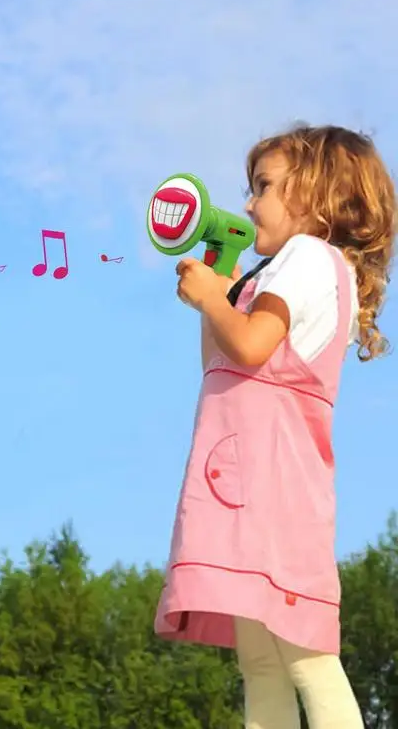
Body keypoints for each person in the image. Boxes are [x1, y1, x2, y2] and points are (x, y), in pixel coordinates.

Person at [154, 124, 396, 728]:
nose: (248, 203)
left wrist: (215, 299)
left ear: (317, 195)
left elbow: (256, 346)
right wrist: (219, 284)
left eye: (262, 186)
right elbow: (222, 359)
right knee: (261, 661)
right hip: (245, 493)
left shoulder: (308, 256)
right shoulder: (275, 273)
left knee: (306, 656)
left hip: (271, 494)